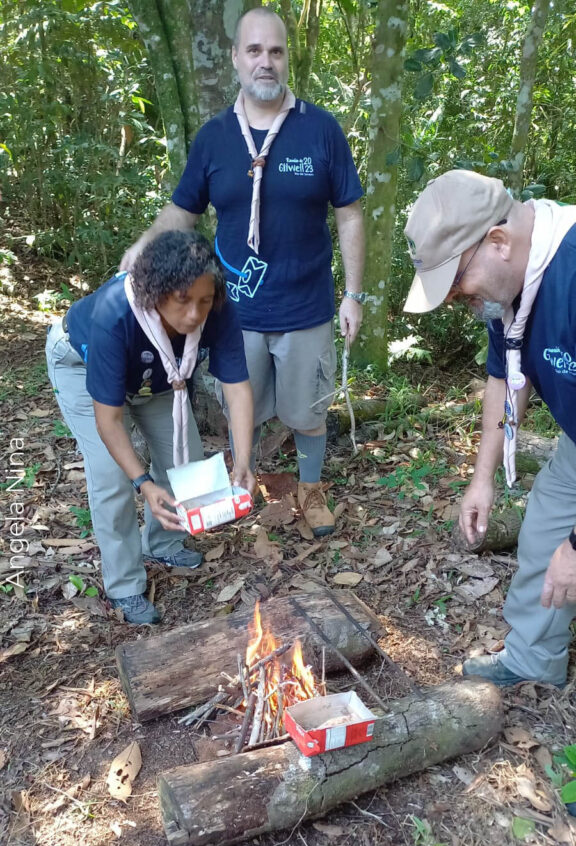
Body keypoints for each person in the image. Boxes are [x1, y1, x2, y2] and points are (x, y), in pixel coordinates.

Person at [121, 6, 365, 537]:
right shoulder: (213, 138)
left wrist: (354, 294)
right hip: (236, 311)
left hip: (307, 307)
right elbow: (182, 209)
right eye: (254, 51)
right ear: (235, 57)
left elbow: (349, 211)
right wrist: (145, 243)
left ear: (286, 58)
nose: (266, 62)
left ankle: (311, 488)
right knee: (242, 409)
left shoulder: (320, 129)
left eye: (275, 51)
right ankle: (243, 477)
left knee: (308, 412)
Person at [403, 168, 576, 690]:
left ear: (497, 241)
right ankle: (532, 659)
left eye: (457, 284)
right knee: (549, 518)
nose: (460, 301)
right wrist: (482, 479)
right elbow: (506, 377)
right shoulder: (511, 292)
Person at [47, 230, 254, 625]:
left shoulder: (220, 311)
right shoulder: (115, 316)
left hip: (159, 377)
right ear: (155, 292)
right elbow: (108, 420)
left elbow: (238, 389)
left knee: (186, 458)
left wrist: (243, 460)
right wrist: (144, 483)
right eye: (182, 301)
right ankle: (124, 585)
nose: (195, 314)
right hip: (80, 364)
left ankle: (162, 542)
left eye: (204, 301)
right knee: (111, 476)